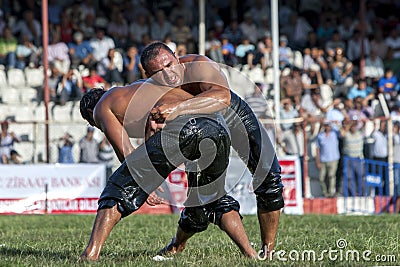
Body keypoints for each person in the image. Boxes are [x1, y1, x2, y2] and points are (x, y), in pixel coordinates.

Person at [79, 82, 256, 260]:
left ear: (89, 113)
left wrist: (143, 183)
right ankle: (251, 254)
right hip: (218, 128)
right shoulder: (133, 93)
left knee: (117, 188)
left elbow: (128, 156)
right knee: (211, 199)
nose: (96, 127)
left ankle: (90, 254)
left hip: (189, 127)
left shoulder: (102, 107)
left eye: (92, 123)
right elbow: (155, 124)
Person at [140, 42, 283, 257]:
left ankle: (268, 251)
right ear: (148, 75)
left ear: (177, 57)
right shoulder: (152, 90)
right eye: (158, 72)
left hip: (230, 113)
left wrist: (177, 108)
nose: (167, 75)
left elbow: (223, 97)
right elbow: (150, 130)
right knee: (200, 200)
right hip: (199, 127)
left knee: (269, 176)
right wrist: (148, 181)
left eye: (169, 65)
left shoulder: (199, 65)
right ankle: (177, 245)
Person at [316, 120, 340, 197]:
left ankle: (331, 193)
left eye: (328, 125)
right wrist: (318, 161)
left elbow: (342, 132)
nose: (327, 127)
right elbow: (317, 149)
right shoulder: (320, 135)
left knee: (331, 176)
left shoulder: (335, 133)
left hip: (333, 159)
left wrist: (336, 124)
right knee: (321, 178)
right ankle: (325, 193)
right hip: (323, 159)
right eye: (326, 125)